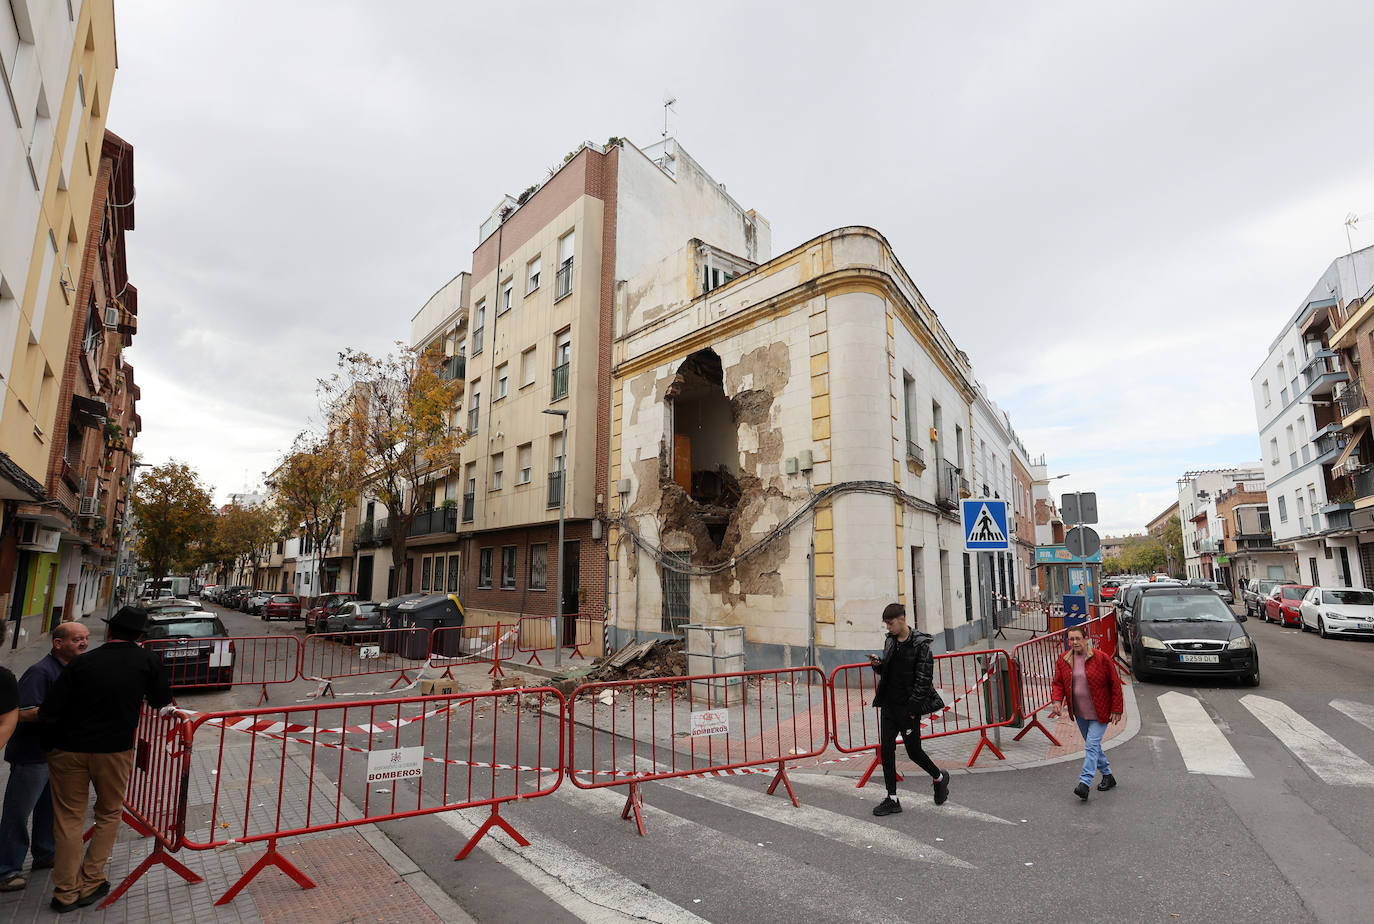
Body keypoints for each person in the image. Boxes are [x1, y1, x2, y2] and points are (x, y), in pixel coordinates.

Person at [39, 607, 172, 913]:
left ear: (109, 632)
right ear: (140, 636)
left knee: (69, 819)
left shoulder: (83, 663)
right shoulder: (147, 660)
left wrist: (50, 747)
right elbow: (162, 702)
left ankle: (65, 891)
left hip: (68, 750)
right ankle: (91, 879)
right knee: (109, 813)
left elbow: (50, 710)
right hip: (113, 750)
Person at [0, 623, 89, 892]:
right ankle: (7, 869)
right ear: (58, 643)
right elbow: (22, 712)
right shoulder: (40, 672)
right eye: (77, 639)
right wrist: (62, 712)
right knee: (18, 812)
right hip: (32, 754)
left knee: (49, 808)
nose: (84, 643)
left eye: (85, 638)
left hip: (56, 754)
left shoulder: (71, 670)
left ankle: (44, 853)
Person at [868, 602, 950, 816]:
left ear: (902, 619)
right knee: (886, 751)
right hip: (888, 705)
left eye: (890, 623)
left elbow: (924, 679)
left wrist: (912, 709)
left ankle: (939, 778)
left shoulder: (921, 645)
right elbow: (889, 669)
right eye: (886, 624)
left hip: (908, 708)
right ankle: (892, 798)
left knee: (914, 752)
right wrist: (879, 665)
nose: (888, 628)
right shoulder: (890, 641)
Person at [1049, 624, 1124, 800]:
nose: (1075, 642)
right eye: (1071, 639)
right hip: (1080, 712)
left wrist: (1117, 709)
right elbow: (1058, 683)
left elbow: (1115, 683)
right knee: (1094, 746)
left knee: (1090, 746)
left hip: (1100, 711)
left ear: (1085, 639)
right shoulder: (1063, 660)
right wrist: (1057, 701)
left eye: (1078, 638)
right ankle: (1108, 775)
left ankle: (1084, 783)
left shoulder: (1101, 658)